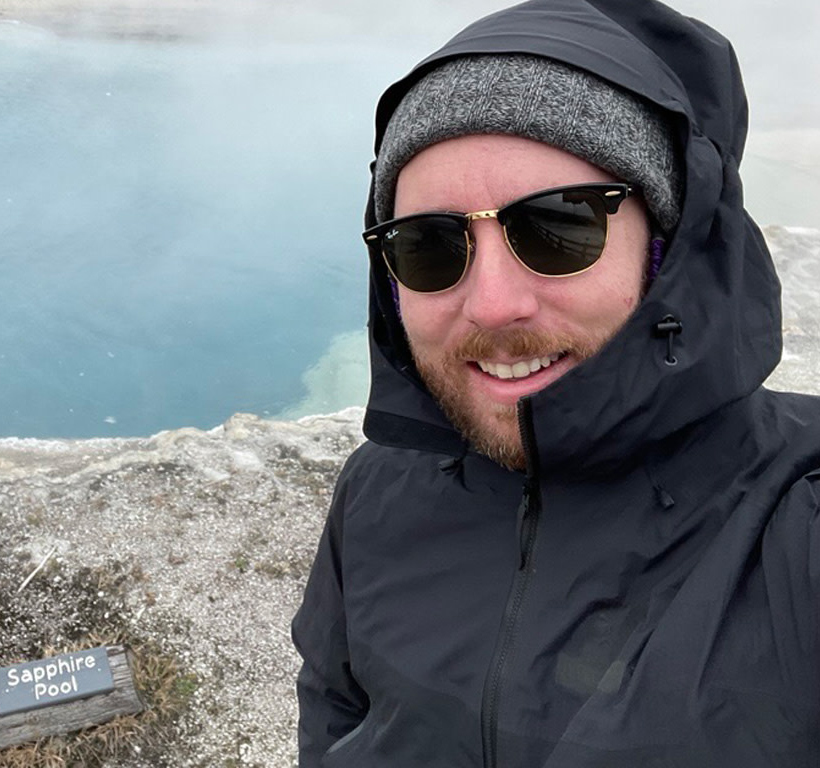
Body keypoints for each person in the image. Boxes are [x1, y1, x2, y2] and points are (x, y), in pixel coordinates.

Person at [291, 0, 820, 765]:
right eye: (429, 246)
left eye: (560, 226)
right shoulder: (378, 491)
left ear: (670, 248)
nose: (495, 304)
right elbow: (336, 709)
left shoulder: (797, 520)